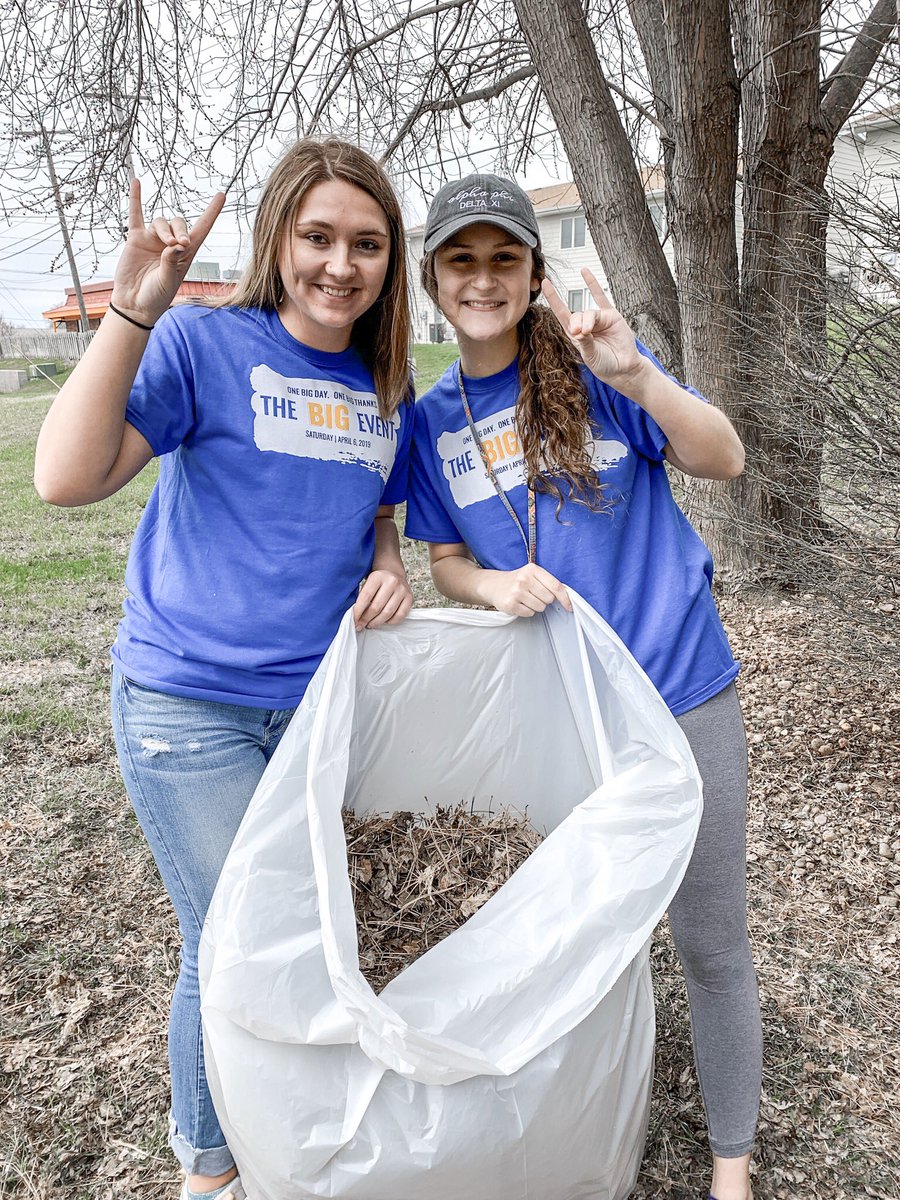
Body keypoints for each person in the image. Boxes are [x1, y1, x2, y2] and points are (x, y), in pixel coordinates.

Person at [34, 138, 415, 1200]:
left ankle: (284, 1134)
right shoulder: (204, 343)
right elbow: (64, 478)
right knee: (235, 934)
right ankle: (210, 1171)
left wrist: (388, 560)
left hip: (314, 709)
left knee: (299, 932)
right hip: (188, 707)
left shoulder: (387, 382)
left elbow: (377, 509)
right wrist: (133, 311)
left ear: (391, 259)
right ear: (276, 237)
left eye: (367, 244)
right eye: (318, 236)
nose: (341, 264)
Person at [405, 173, 761, 1200]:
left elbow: (724, 458)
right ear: (434, 281)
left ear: (532, 276)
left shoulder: (597, 370)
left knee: (709, 938)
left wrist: (639, 373)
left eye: (504, 259)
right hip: (564, 713)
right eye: (462, 260)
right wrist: (492, 584)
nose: (483, 279)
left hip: (682, 689)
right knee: (585, 938)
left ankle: (732, 1165)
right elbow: (444, 563)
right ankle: (588, 1125)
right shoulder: (429, 423)